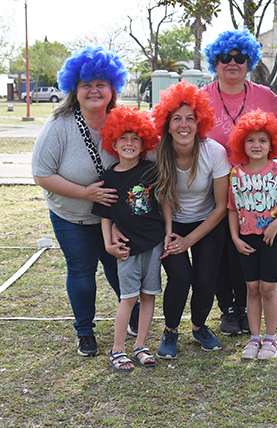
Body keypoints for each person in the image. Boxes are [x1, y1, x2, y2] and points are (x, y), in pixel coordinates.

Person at [31, 46, 139, 358]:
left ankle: (131, 315)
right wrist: (86, 193)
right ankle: (85, 332)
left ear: (112, 88)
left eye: (100, 83)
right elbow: (41, 174)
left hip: (114, 216)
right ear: (74, 88)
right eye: (86, 84)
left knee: (120, 266)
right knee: (81, 270)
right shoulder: (58, 125)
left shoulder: (124, 120)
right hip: (71, 216)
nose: (93, 90)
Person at [202, 28, 277, 336]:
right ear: (216, 61)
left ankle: (243, 305)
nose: (232, 63)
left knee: (246, 248)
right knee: (220, 249)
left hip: (255, 189)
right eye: (225, 57)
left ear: (249, 61)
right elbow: (177, 130)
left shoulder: (264, 95)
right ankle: (228, 309)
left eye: (240, 57)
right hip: (213, 186)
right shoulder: (203, 97)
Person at [151, 80, 231, 359]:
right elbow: (163, 196)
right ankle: (170, 331)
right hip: (171, 222)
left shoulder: (214, 152)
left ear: (200, 123)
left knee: (205, 279)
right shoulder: (158, 151)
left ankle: (199, 327)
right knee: (180, 276)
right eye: (176, 119)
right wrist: (171, 235)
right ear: (167, 123)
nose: (183, 125)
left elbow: (221, 207)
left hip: (207, 222)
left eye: (190, 119)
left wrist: (189, 240)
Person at [91, 106, 171, 371]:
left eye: (135, 138)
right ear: (113, 143)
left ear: (144, 142)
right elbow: (105, 215)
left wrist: (168, 231)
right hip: (127, 249)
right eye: (123, 138)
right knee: (128, 298)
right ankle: (117, 349)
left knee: (149, 295)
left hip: (153, 243)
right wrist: (107, 243)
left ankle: (140, 346)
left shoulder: (152, 171)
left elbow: (164, 202)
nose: (129, 143)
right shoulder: (109, 178)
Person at [226, 110, 277, 359]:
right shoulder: (235, 174)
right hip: (245, 240)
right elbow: (231, 208)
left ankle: (271, 339)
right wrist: (236, 238)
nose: (256, 145)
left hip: (271, 238)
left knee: (268, 288)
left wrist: (274, 225)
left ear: (272, 144)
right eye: (250, 140)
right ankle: (254, 338)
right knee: (252, 288)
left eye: (262, 140)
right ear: (241, 143)